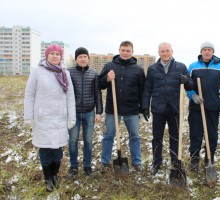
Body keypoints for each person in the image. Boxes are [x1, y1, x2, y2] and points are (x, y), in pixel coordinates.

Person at [24, 44, 76, 192]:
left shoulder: (65, 73)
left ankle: (55, 176)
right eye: (52, 53)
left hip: (60, 118)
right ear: (47, 55)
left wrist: (71, 117)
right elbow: (29, 95)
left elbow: (70, 97)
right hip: (43, 118)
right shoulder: (37, 72)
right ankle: (48, 178)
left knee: (57, 150)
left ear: (61, 57)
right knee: (46, 150)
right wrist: (29, 116)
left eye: (57, 54)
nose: (55, 56)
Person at [142, 42, 193, 175]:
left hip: (174, 108)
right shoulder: (153, 69)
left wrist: (186, 80)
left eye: (167, 51)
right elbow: (147, 89)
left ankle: (175, 162)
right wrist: (145, 105)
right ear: (159, 53)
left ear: (172, 51)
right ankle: (156, 162)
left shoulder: (181, 67)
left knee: (175, 137)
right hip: (158, 108)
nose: (165, 53)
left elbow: (191, 85)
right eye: (162, 51)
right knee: (157, 137)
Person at [98, 41, 145, 172]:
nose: (125, 53)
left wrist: (142, 109)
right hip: (113, 109)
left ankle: (137, 162)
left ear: (132, 52)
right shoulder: (109, 66)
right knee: (109, 135)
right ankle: (104, 161)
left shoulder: (138, 70)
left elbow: (142, 91)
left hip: (132, 109)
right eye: (123, 50)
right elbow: (100, 85)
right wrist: (107, 78)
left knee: (134, 136)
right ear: (119, 50)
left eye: (128, 50)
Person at [186, 41, 220, 172]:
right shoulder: (193, 67)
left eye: (210, 49)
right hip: (196, 108)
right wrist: (193, 95)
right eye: (204, 49)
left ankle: (209, 159)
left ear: (213, 52)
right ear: (201, 52)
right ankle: (194, 159)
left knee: (212, 136)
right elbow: (188, 85)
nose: (207, 52)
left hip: (213, 107)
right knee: (195, 135)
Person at [68, 47, 103, 177]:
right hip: (73, 113)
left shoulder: (94, 73)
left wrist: (98, 112)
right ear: (76, 59)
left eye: (85, 57)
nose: (83, 59)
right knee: (73, 140)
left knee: (88, 140)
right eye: (80, 57)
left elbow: (97, 93)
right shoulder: (69, 72)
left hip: (89, 113)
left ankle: (87, 166)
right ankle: (73, 166)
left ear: (88, 58)